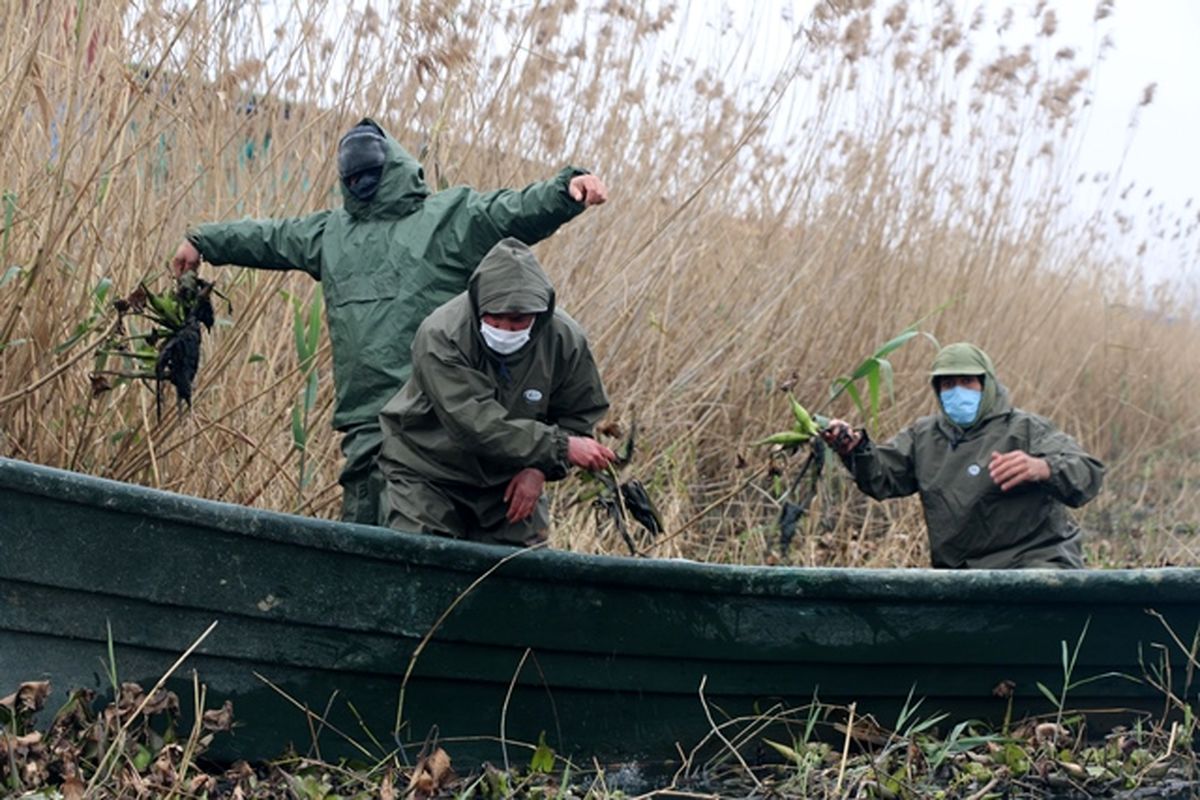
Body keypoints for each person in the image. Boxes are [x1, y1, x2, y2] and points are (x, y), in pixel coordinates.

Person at [171, 118, 607, 525]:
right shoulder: (331, 233)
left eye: (368, 174)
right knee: (365, 530)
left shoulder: (447, 219)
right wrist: (203, 242)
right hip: (367, 420)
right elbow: (269, 237)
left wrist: (564, 191)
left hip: (437, 416)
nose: (360, 183)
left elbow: (509, 210)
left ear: (391, 168)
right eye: (352, 177)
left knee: (441, 525)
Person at [377, 238, 614, 546]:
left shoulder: (565, 339)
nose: (506, 327)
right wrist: (561, 448)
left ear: (540, 313)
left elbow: (578, 413)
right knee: (421, 562)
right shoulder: (441, 334)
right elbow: (474, 422)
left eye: (518, 320)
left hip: (509, 479)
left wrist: (539, 469)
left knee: (521, 574)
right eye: (494, 316)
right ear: (478, 305)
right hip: (428, 470)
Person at [821, 342, 1104, 569]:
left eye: (968, 381)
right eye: (948, 383)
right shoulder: (924, 436)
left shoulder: (1026, 429)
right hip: (962, 573)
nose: (958, 391)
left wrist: (1043, 468)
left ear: (986, 384)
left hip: (1034, 562)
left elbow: (1087, 473)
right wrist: (855, 449)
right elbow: (883, 476)